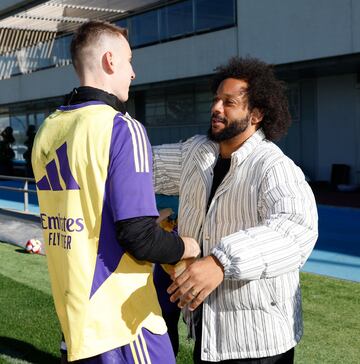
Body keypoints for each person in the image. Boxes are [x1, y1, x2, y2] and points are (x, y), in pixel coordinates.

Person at [32, 20, 200, 363]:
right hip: (123, 320)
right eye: (129, 61)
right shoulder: (123, 127)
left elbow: (87, 214)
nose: (134, 73)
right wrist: (188, 245)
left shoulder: (48, 129)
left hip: (76, 323)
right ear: (110, 61)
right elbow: (139, 238)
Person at [152, 57, 318, 363]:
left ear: (255, 114)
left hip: (260, 344)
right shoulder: (197, 153)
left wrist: (220, 262)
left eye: (229, 102)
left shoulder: (274, 167)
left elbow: (296, 230)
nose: (216, 108)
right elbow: (142, 166)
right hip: (208, 334)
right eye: (216, 99)